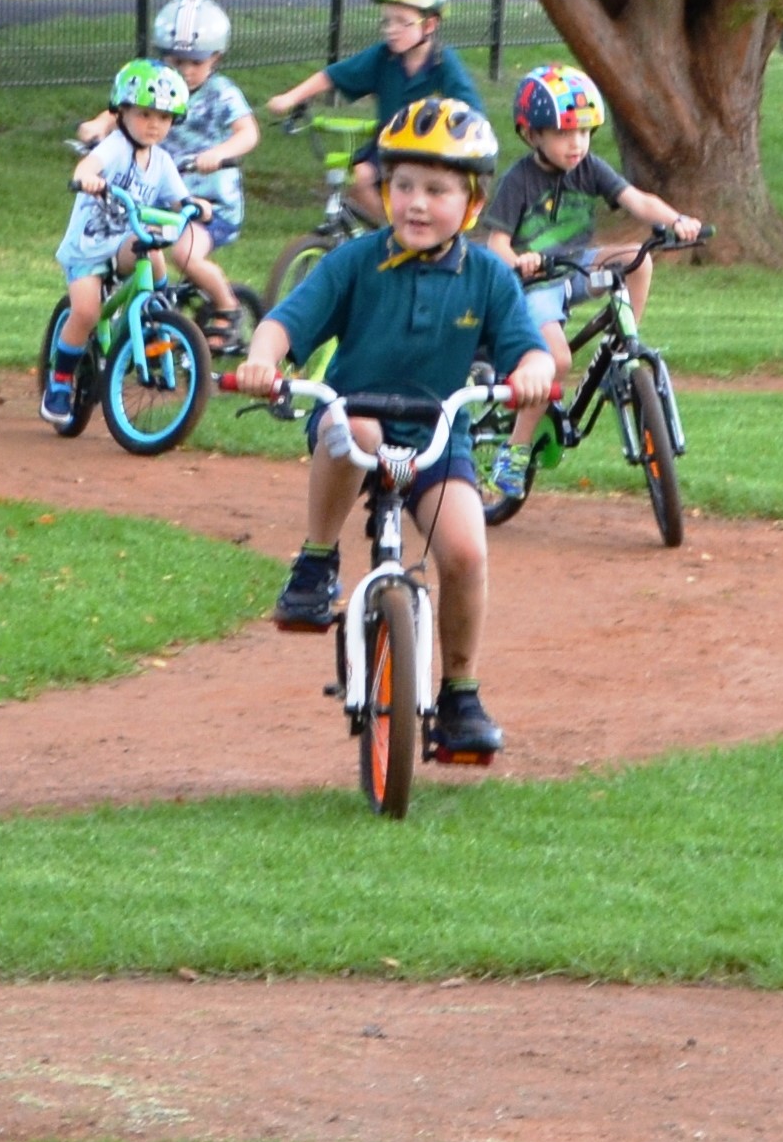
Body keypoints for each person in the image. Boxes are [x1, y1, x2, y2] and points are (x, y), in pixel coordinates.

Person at [235, 98, 553, 757]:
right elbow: (284, 323)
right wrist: (264, 359)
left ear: (470, 202)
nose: (414, 202)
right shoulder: (352, 261)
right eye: (401, 184)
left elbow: (530, 349)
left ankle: (459, 694)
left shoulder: (487, 276)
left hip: (438, 435)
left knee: (465, 552)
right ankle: (315, 562)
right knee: (358, 427)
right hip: (353, 428)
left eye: (435, 190)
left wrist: (529, 371)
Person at [480, 64, 703, 498]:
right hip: (538, 283)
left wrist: (677, 220)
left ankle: (624, 345)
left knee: (635, 260)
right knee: (556, 362)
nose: (577, 143)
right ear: (531, 135)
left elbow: (637, 199)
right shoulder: (519, 180)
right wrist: (519, 262)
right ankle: (516, 451)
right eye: (565, 134)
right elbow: (495, 245)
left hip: (576, 267)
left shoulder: (591, 168)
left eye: (584, 132)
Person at [76, 0, 259, 353]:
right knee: (129, 243)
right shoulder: (158, 84)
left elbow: (248, 132)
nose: (186, 70)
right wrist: (97, 126)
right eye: (176, 61)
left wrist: (217, 155)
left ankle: (228, 308)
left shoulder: (222, 93)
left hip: (209, 205)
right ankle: (142, 313)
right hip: (158, 200)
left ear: (215, 59)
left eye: (196, 62)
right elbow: (123, 111)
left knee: (185, 256)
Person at [266, 0, 484, 226]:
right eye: (386, 21)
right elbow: (333, 75)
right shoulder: (384, 57)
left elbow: (472, 114)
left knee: (419, 189)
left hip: (430, 149)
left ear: (430, 25)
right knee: (361, 177)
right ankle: (393, 232)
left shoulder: (444, 65)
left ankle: (406, 234)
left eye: (402, 22)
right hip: (390, 141)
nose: (391, 30)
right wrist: (290, 98)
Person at [45, 57, 196, 425]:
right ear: (122, 112)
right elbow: (86, 167)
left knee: (155, 249)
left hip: (123, 241)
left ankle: (158, 317)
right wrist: (89, 179)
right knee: (86, 313)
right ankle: (59, 382)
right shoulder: (114, 148)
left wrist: (195, 206)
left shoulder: (161, 161)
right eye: (145, 114)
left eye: (163, 117)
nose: (154, 125)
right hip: (87, 248)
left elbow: (181, 198)